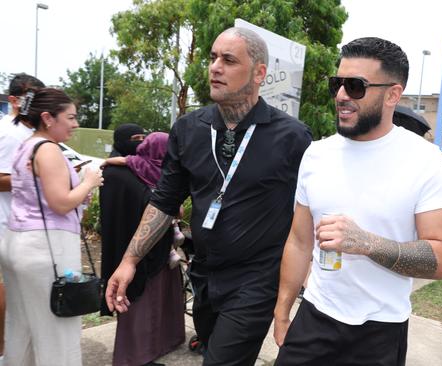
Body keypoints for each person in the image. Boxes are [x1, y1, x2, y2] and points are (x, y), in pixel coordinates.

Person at [105, 27, 312, 366]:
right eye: (213, 57)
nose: (215, 67)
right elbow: (164, 201)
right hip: (203, 276)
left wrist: (292, 291)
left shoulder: (293, 137)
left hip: (257, 280)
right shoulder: (188, 129)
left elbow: (307, 212)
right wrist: (130, 260)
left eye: (229, 60)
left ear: (260, 73)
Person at [273, 37, 442, 366]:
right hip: (314, 319)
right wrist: (283, 309)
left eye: (355, 86)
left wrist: (367, 242)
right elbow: (299, 241)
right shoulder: (316, 155)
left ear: (392, 95)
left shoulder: (424, 161)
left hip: (380, 333)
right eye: (337, 84)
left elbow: (441, 260)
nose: (341, 95)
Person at [0, 88, 104, 365]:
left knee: (21, 326)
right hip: (46, 249)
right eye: (70, 117)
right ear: (48, 118)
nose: (75, 123)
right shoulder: (48, 150)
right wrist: (88, 182)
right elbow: (60, 203)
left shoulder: (27, 146)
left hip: (17, 241)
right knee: (58, 330)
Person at [100, 132, 185, 366]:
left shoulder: (158, 172)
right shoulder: (122, 175)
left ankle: (162, 344)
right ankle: (136, 357)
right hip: (136, 251)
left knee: (161, 300)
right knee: (141, 305)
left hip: (159, 249)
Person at [0, 73, 45, 362]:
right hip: (5, 225)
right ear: (14, 99)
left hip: (24, 226)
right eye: (31, 96)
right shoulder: (9, 133)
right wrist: (39, 178)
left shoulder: (29, 131)